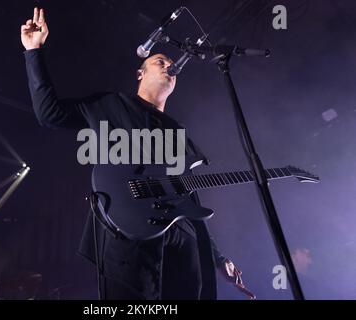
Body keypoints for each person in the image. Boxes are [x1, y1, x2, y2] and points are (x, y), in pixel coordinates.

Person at [21, 7, 247, 300]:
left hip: (179, 241)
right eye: (160, 61)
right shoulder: (112, 105)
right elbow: (49, 114)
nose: (170, 67)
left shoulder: (176, 131)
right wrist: (33, 51)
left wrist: (217, 257)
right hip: (129, 233)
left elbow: (188, 197)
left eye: (171, 65)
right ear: (140, 73)